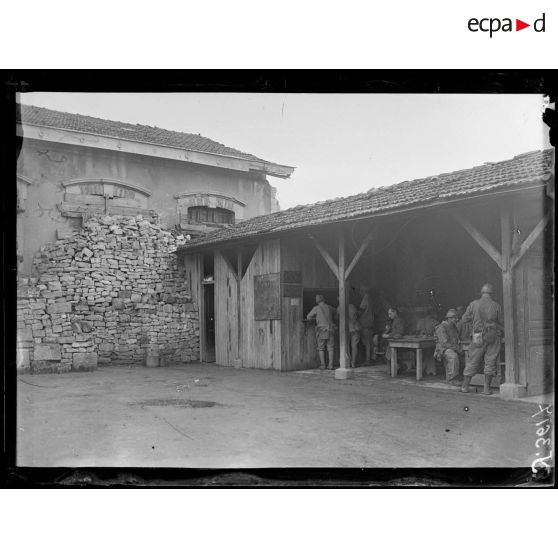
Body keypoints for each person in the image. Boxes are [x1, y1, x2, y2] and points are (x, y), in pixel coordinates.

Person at [460, 284, 504, 395]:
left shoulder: (473, 304)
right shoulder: (496, 305)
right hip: (492, 335)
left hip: (477, 335)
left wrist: (475, 323)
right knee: (490, 360)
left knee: (472, 359)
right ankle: (486, 389)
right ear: (492, 294)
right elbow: (502, 321)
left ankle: (465, 387)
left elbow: (464, 319)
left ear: (481, 293)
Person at [434, 309, 464, 384]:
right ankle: (452, 378)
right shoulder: (441, 327)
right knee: (453, 356)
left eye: (457, 317)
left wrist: (460, 348)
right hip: (443, 349)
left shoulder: (453, 327)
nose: (457, 319)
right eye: (454, 318)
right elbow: (444, 343)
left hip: (453, 347)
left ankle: (460, 376)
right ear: (449, 318)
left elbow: (457, 339)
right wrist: (457, 349)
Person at [307, 294, 336, 370]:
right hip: (330, 329)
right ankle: (331, 365)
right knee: (330, 348)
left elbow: (308, 316)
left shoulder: (316, 308)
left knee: (321, 348)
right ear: (324, 299)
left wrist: (316, 318)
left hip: (321, 330)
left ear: (317, 301)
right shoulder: (330, 307)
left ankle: (323, 365)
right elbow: (336, 313)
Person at [336, 297, 361, 368]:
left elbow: (337, 318)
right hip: (355, 328)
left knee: (345, 346)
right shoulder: (352, 306)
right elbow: (358, 314)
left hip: (346, 329)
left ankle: (346, 362)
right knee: (354, 346)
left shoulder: (339, 307)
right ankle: (353, 363)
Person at [358, 285, 375, 364]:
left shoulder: (365, 297)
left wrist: (356, 314)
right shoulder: (371, 298)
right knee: (370, 342)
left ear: (363, 291)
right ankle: (371, 358)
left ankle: (367, 360)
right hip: (371, 321)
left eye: (360, 291)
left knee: (367, 342)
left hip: (365, 322)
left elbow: (361, 309)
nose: (359, 293)